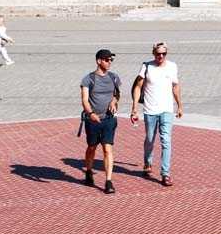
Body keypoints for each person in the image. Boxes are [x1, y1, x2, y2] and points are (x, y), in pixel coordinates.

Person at [131, 41, 183, 185]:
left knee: (166, 140)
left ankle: (165, 173)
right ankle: (147, 162)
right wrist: (134, 107)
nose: (161, 56)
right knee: (149, 139)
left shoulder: (172, 66)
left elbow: (175, 86)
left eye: (164, 53)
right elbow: (137, 87)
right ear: (153, 53)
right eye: (158, 53)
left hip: (166, 109)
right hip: (150, 110)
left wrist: (179, 106)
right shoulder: (147, 66)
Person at [78, 48, 120, 192]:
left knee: (107, 148)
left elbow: (117, 94)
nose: (109, 62)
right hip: (93, 120)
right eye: (107, 60)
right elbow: (84, 99)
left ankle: (108, 182)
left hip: (109, 119)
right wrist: (90, 113)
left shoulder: (114, 77)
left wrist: (114, 102)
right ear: (99, 61)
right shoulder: (88, 79)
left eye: (111, 60)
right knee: (92, 147)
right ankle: (89, 172)